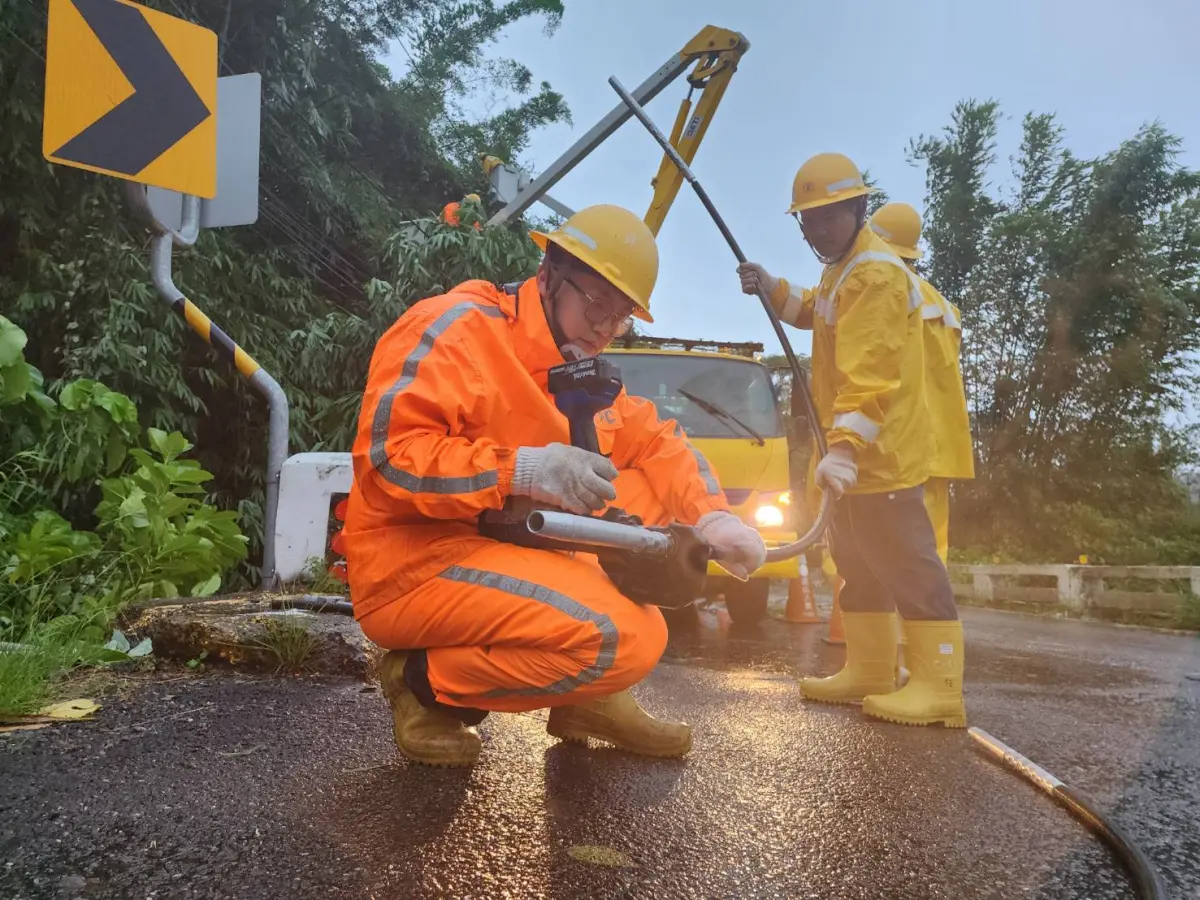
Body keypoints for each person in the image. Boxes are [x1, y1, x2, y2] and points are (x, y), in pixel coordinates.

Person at [343, 203, 768, 767]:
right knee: (626, 638)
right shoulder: (455, 328)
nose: (605, 327)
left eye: (620, 316)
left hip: (497, 545)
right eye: (596, 304)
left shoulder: (577, 370)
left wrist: (713, 517)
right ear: (548, 276)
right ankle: (421, 683)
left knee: (632, 485)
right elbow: (388, 461)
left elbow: (657, 440)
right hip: (414, 561)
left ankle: (588, 699)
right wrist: (522, 470)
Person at [736, 153, 967, 728]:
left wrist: (843, 449)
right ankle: (869, 672)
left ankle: (940, 689)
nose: (818, 229)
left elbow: (871, 376)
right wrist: (771, 287)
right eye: (809, 219)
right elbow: (813, 310)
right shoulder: (844, 269)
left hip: (880, 457)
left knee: (908, 563)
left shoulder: (875, 275)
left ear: (859, 208)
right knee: (859, 565)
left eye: (829, 216)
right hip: (855, 459)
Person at [867, 202, 975, 564]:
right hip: (938, 448)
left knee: (871, 555)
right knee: (929, 554)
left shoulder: (883, 294)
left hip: (896, 448)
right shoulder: (944, 308)